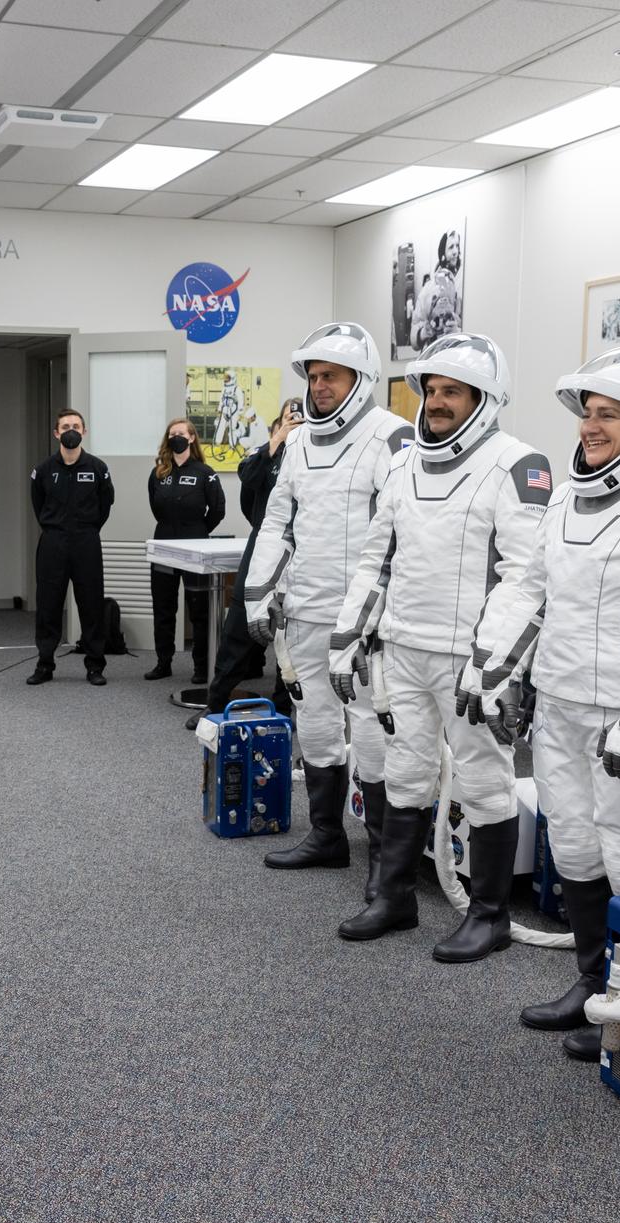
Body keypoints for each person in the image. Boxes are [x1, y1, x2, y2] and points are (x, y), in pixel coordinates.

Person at [462, 347, 620, 1058]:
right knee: (573, 845)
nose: (590, 426)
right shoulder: (568, 494)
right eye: (587, 413)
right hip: (562, 699)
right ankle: (593, 986)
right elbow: (528, 588)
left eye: (609, 414)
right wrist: (492, 666)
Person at [328, 332, 547, 949]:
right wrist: (348, 636)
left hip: (469, 661)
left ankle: (490, 916)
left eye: (452, 391)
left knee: (483, 779)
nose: (437, 401)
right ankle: (395, 896)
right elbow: (377, 560)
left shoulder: (518, 464)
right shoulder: (402, 464)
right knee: (406, 771)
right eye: (431, 390)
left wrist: (496, 664)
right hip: (401, 647)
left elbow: (525, 575)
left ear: (485, 397)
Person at [244, 322, 408, 876]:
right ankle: (326, 835)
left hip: (364, 620)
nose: (319, 387)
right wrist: (259, 592)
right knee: (313, 718)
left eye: (330, 376)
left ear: (360, 380)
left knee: (367, 725)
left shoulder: (393, 437)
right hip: (306, 610)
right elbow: (277, 522)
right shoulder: (299, 441)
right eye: (313, 377)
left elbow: (401, 536)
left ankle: (385, 854)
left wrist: (381, 610)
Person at [200, 397, 299, 721]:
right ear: (277, 423)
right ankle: (214, 704)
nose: (296, 422)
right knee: (237, 632)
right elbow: (247, 478)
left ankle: (283, 710)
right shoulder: (267, 453)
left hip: (302, 556)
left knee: (293, 637)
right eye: (289, 418)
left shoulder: (316, 457)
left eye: (302, 418)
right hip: (261, 550)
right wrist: (277, 440)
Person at [29, 409, 114, 687]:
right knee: (48, 604)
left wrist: (87, 529)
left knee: (91, 603)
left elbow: (105, 506)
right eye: (65, 426)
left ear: (84, 432)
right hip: (53, 541)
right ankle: (45, 663)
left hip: (86, 541)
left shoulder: (98, 469)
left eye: (76, 426)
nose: (71, 430)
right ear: (56, 433)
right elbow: (38, 504)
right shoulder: (43, 470)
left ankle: (94, 665)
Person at [144, 417, 225, 684]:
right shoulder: (159, 473)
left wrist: (197, 529)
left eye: (181, 433)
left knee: (199, 609)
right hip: (165, 544)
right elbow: (156, 509)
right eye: (172, 433)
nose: (176, 437)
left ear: (191, 438)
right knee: (163, 606)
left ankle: (202, 667)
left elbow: (217, 510)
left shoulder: (205, 472)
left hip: (195, 545)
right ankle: (163, 662)